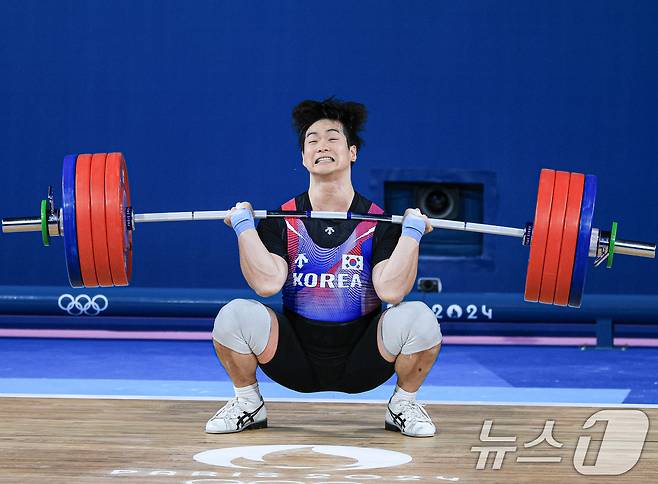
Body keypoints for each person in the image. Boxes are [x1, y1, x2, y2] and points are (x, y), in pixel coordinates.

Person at [206, 98, 442, 437]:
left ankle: (402, 404)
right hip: (293, 359)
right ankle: (248, 403)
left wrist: (412, 235)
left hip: (365, 359)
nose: (322, 145)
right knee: (234, 315)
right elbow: (267, 284)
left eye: (333, 138)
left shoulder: (379, 222)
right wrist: (244, 228)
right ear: (303, 157)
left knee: (419, 317)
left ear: (352, 152)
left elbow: (392, 291)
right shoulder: (281, 219)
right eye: (312, 140)